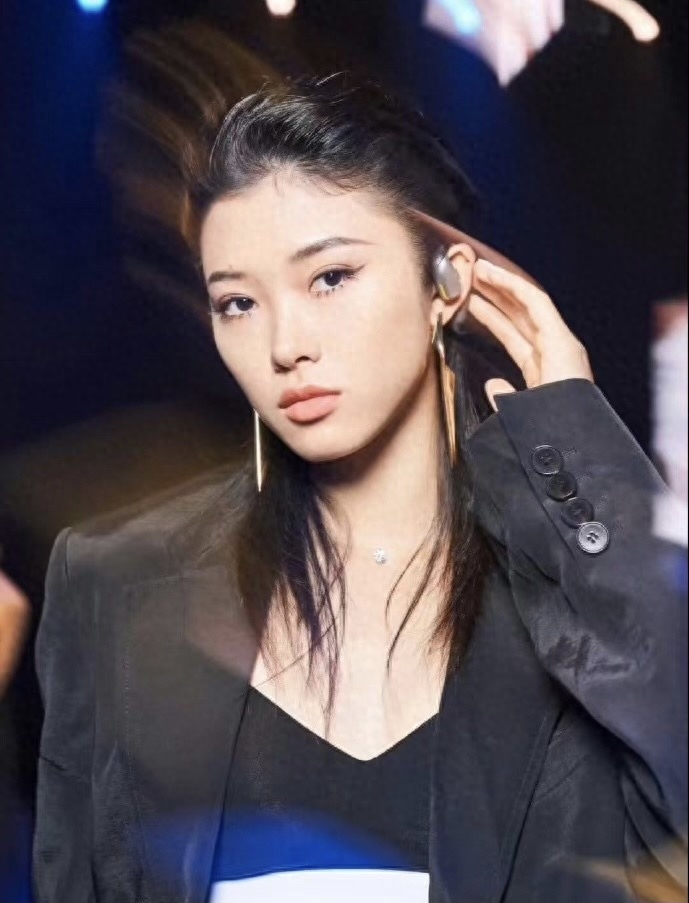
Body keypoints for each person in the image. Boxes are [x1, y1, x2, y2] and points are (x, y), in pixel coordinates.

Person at [33, 73, 687, 903]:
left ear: (446, 285)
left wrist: (576, 441)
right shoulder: (113, 583)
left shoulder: (573, 587)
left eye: (331, 277)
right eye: (237, 302)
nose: (285, 343)